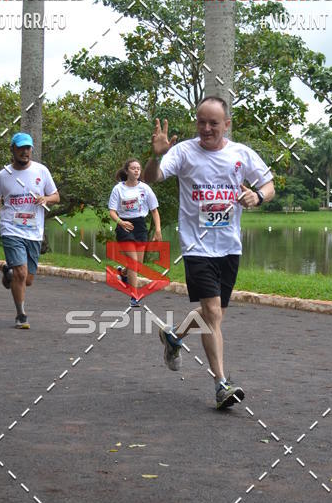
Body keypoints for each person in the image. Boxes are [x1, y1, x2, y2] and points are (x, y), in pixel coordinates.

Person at [144, 97, 275, 410]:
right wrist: (155, 156)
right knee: (213, 314)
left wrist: (257, 196)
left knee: (211, 316)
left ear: (226, 124)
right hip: (196, 246)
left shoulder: (241, 154)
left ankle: (173, 336)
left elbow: (269, 185)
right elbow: (152, 178)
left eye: (213, 123)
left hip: (229, 247)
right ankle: (221, 384)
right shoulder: (184, 152)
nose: (206, 128)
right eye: (201, 122)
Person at [0, 132, 59, 329]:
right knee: (21, 272)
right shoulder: (3, 175)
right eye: (21, 148)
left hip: (34, 231)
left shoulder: (41, 171)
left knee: (27, 280)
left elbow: (56, 195)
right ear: (13, 150)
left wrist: (46, 199)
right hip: (11, 229)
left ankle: (7, 273)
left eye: (28, 148)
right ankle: (21, 315)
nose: (25, 152)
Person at [108, 158, 161, 308]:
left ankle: (123, 273)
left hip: (140, 225)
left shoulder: (145, 188)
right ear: (127, 171)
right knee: (133, 261)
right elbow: (112, 211)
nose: (136, 170)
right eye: (133, 168)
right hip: (124, 225)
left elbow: (154, 211)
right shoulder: (118, 189)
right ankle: (134, 296)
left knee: (138, 264)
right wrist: (120, 222)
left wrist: (157, 230)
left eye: (138, 168)